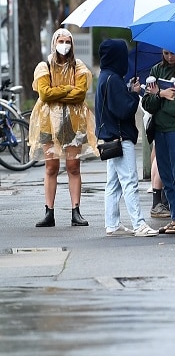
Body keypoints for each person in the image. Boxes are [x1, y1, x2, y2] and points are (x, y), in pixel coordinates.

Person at [29, 28, 99, 228]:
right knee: (51, 167)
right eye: (61, 40)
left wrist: (56, 92)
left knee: (73, 166)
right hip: (48, 123)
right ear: (54, 42)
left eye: (68, 41)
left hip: (72, 122)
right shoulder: (44, 67)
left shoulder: (79, 66)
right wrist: (67, 89)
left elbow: (80, 94)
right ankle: (48, 212)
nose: (64, 45)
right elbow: (44, 94)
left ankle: (76, 211)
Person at [94, 39, 158, 237]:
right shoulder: (113, 79)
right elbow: (124, 110)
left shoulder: (106, 77)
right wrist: (135, 94)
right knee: (130, 181)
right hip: (121, 138)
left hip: (111, 138)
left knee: (113, 183)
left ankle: (112, 223)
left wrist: (129, 90)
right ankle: (139, 223)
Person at [142, 49, 175, 234]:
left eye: (173, 53)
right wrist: (162, 94)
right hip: (159, 130)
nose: (170, 57)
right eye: (166, 53)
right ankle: (174, 217)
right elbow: (147, 103)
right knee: (166, 175)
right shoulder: (156, 70)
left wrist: (159, 99)